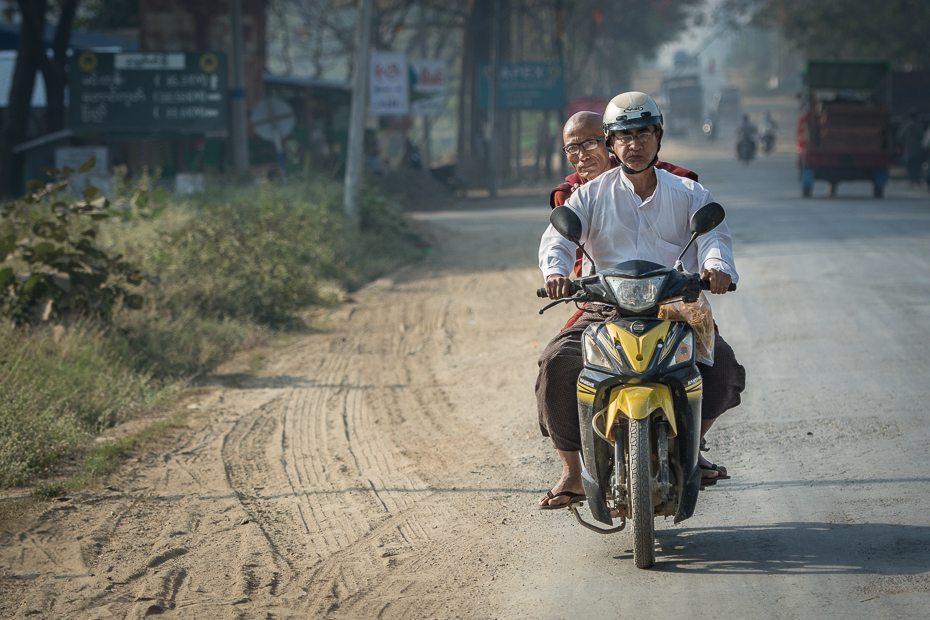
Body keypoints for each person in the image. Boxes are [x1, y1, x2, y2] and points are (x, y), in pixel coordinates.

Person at [536, 91, 746, 508]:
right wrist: (556, 273)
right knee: (556, 366)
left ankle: (693, 445)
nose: (635, 145)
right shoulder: (590, 196)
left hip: (675, 307)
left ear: (658, 136)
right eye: (624, 136)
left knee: (721, 367)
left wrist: (716, 269)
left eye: (644, 134)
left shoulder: (688, 192)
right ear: (612, 144)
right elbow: (558, 240)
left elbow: (713, 238)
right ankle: (572, 473)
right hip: (605, 305)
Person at [898, 111, 925, 187]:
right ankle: (917, 178)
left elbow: (900, 138)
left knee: (909, 165)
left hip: (908, 150)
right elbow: (923, 138)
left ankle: (911, 179)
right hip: (918, 150)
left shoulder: (905, 127)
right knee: (917, 165)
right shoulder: (918, 127)